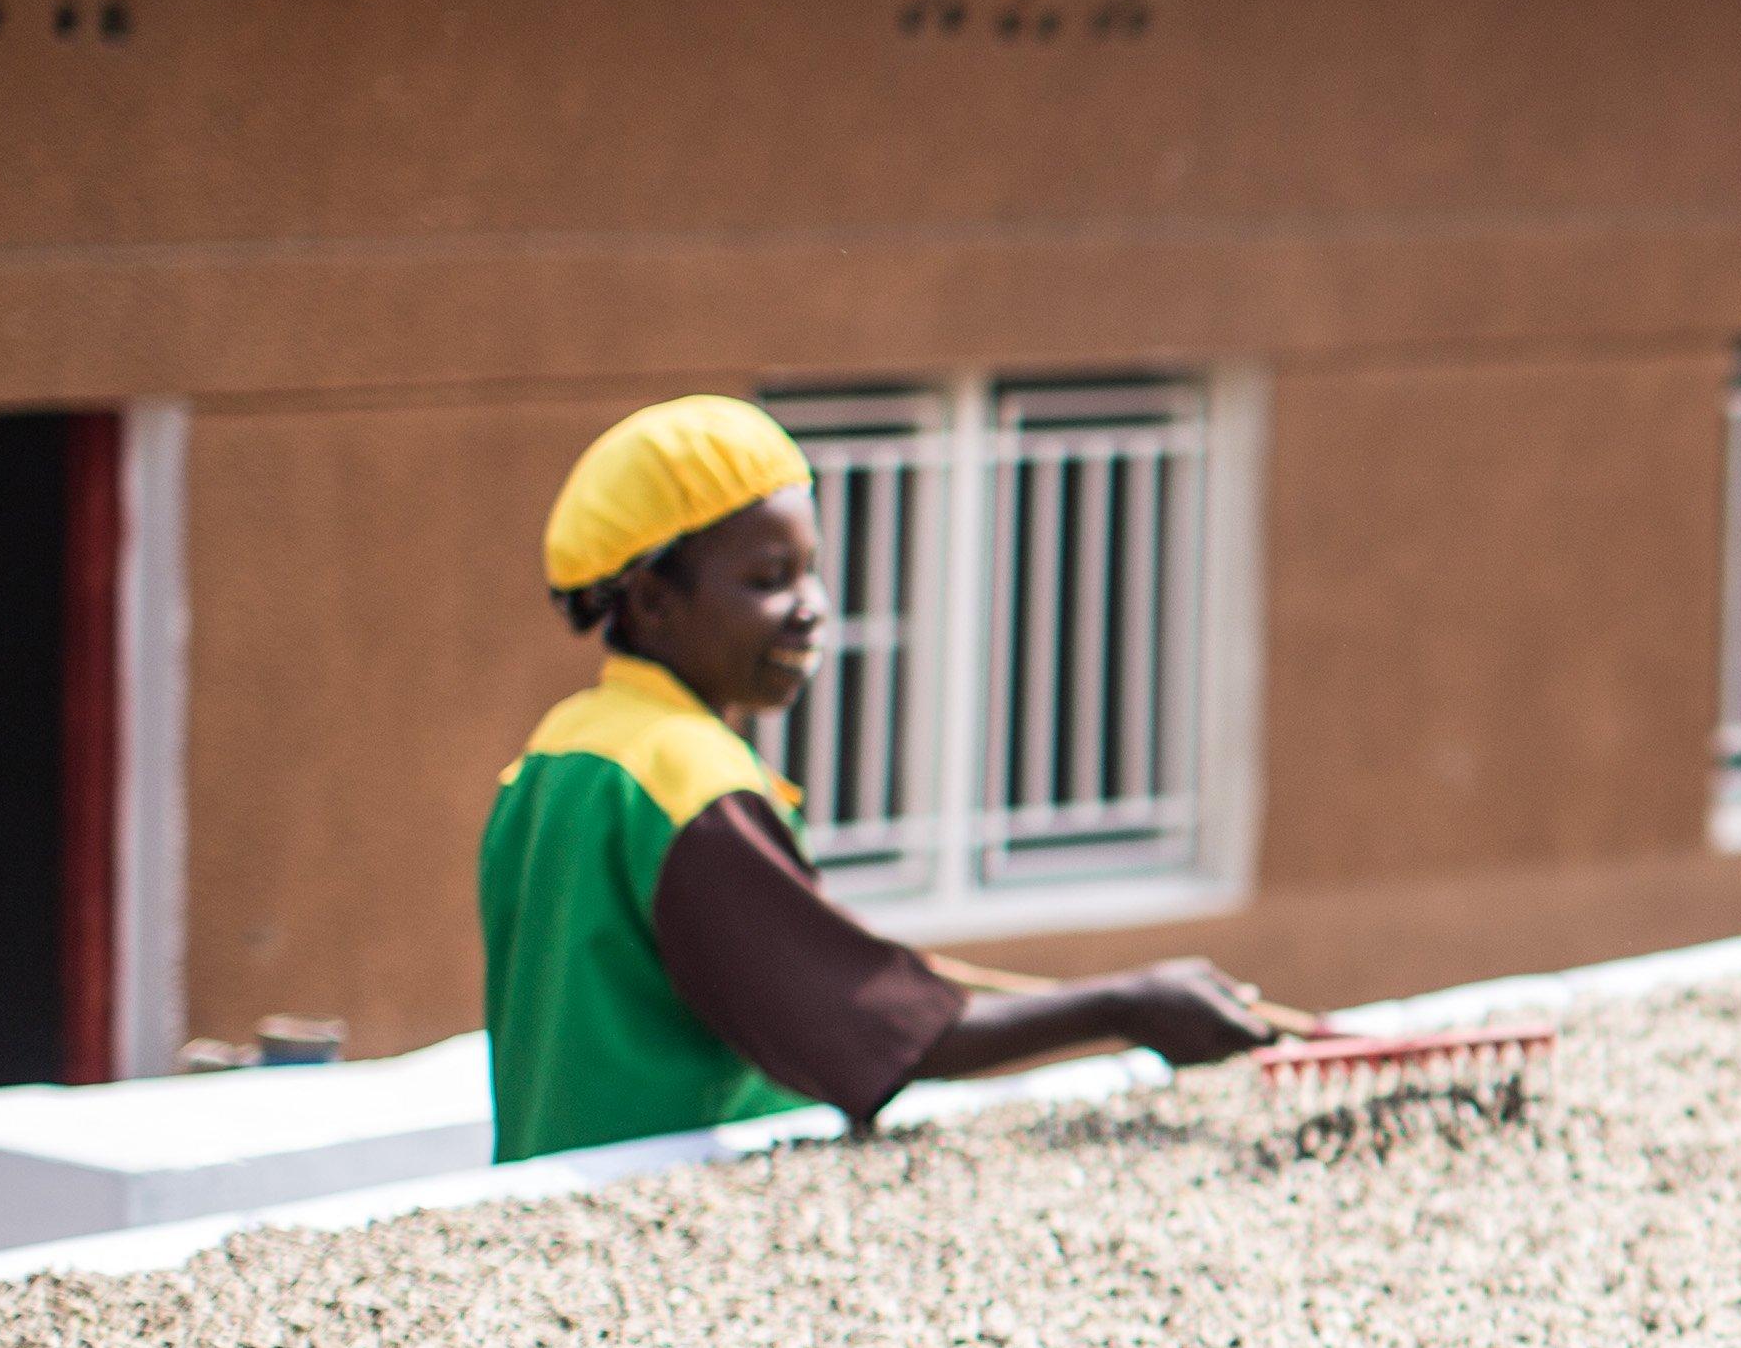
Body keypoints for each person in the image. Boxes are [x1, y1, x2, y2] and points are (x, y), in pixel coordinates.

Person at [484, 397, 1289, 1163]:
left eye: (811, 571)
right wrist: (1129, 1005)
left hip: (537, 1193)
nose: (811, 609)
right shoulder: (693, 784)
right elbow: (867, 1036)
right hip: (652, 1209)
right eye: (768, 579)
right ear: (654, 601)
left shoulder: (557, 752)